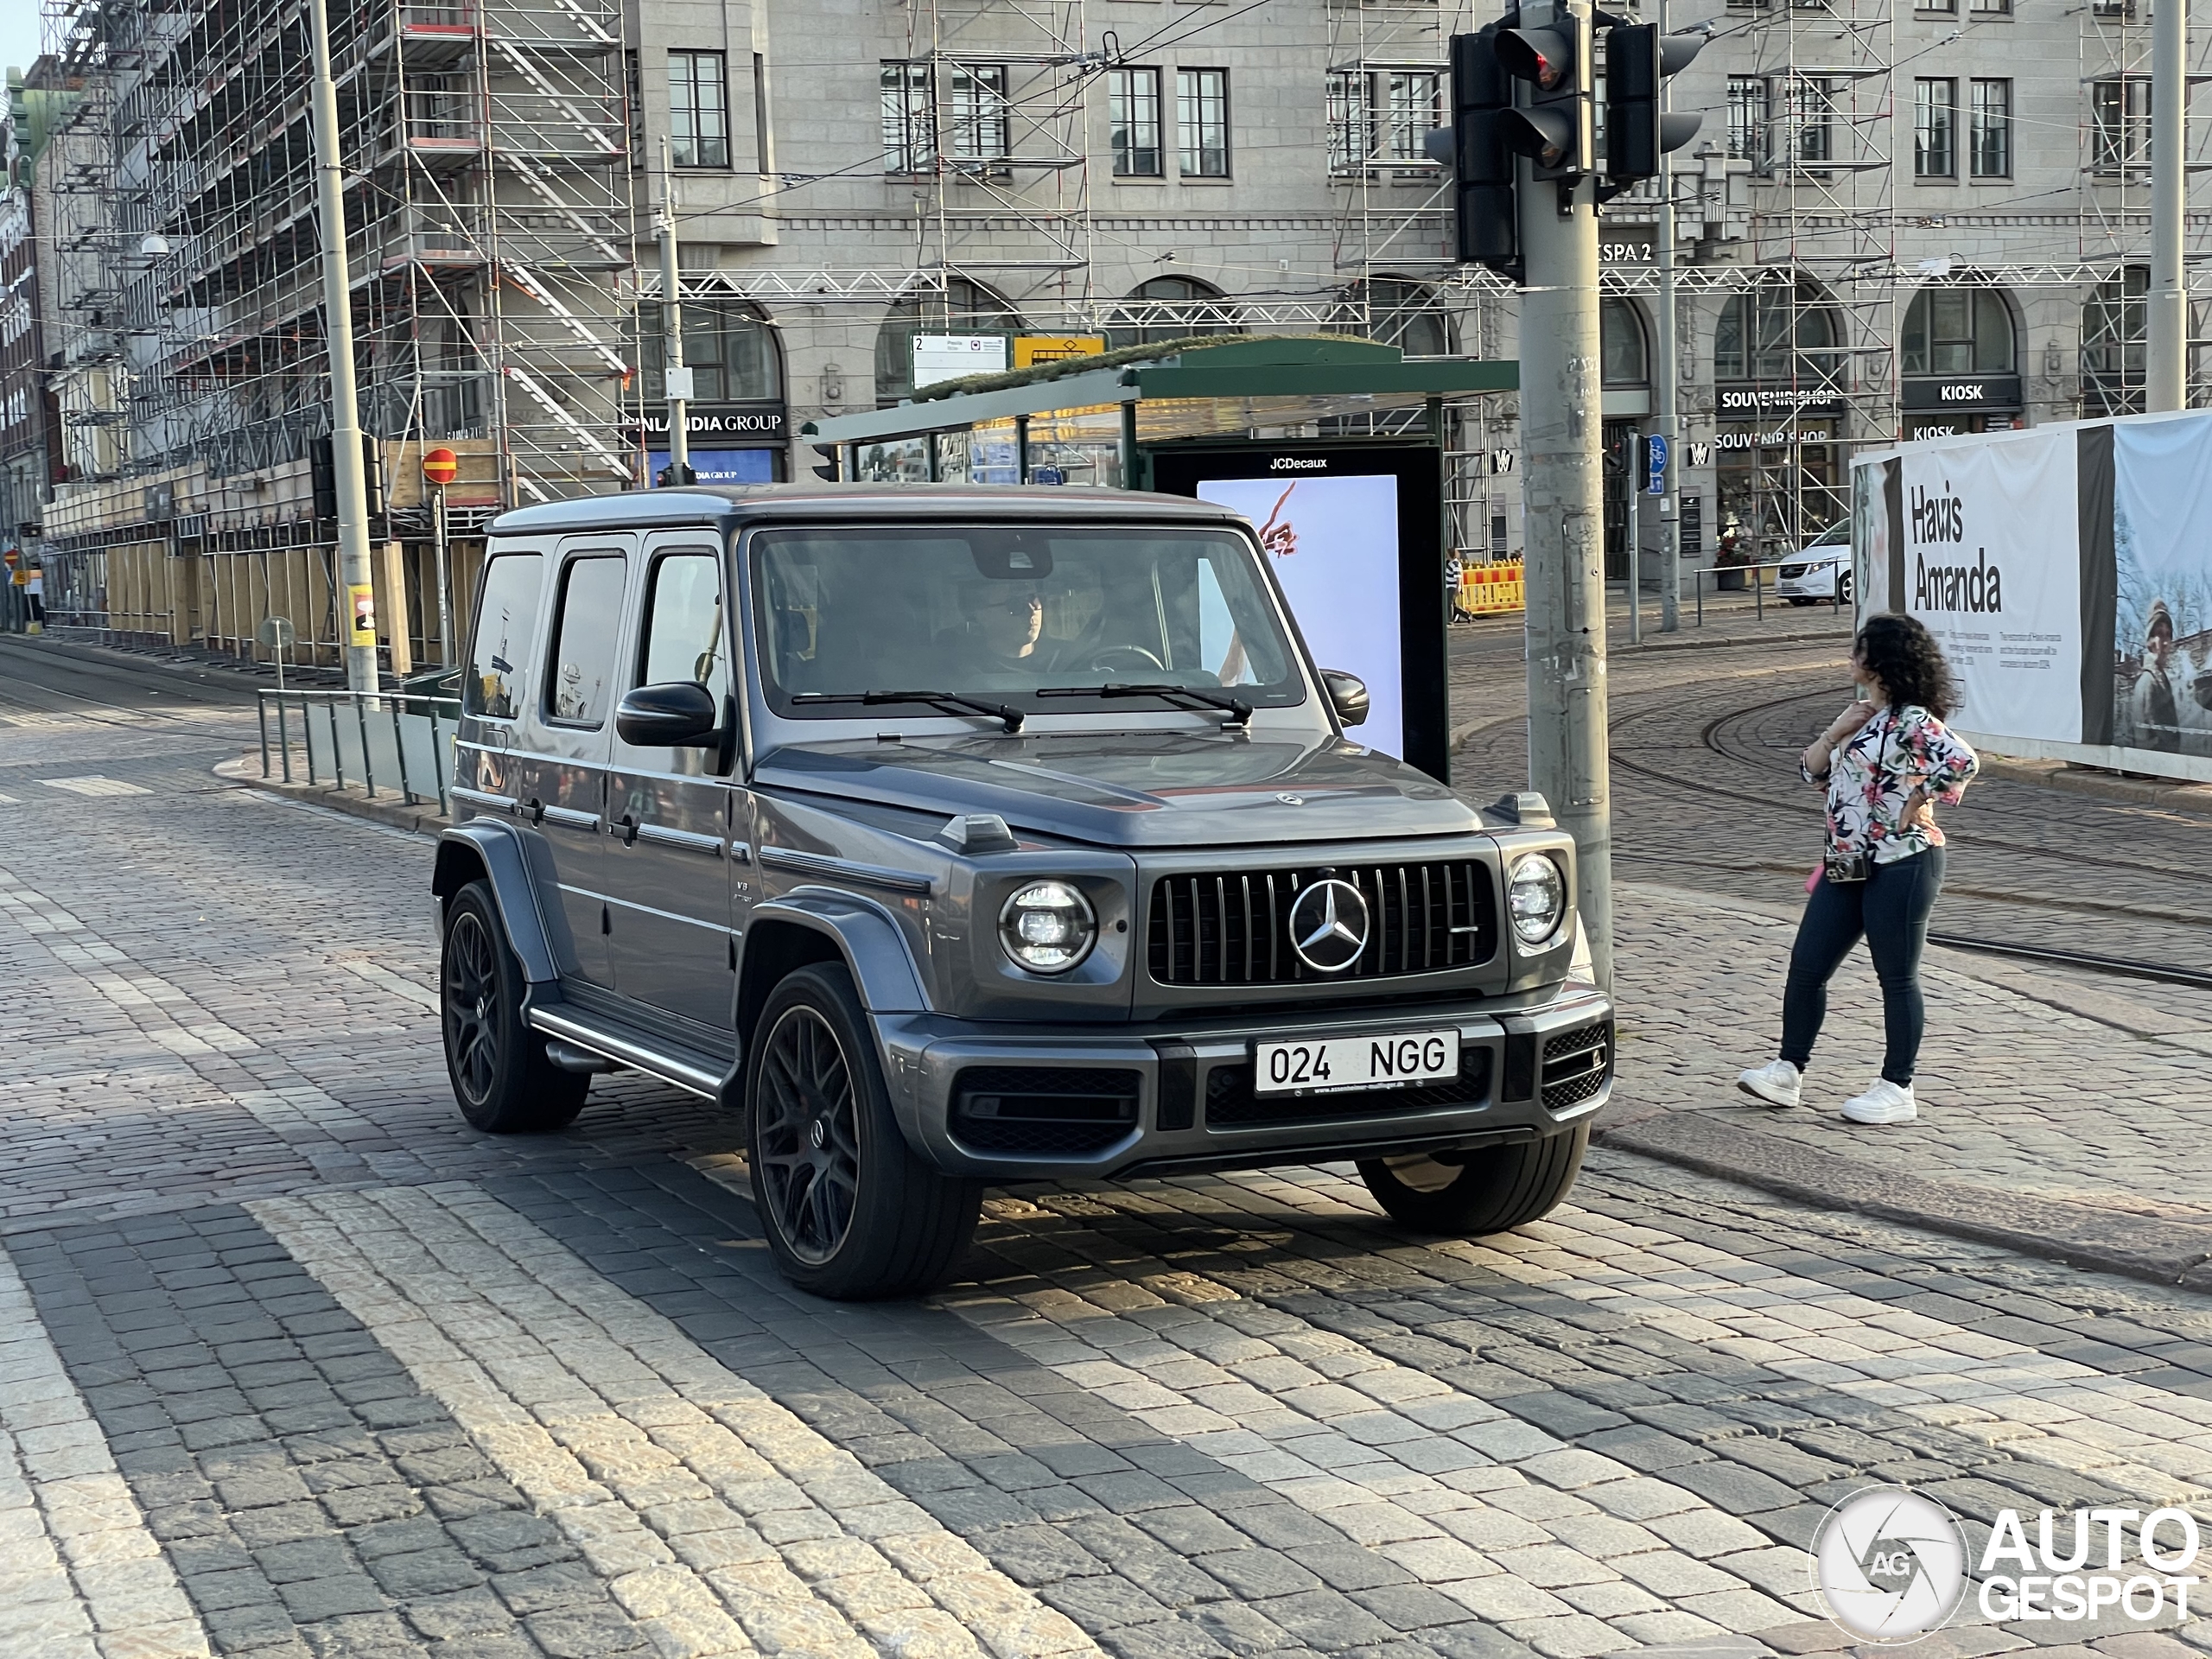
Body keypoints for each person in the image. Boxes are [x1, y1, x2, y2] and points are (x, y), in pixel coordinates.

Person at [1738, 613, 1980, 1126]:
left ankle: (1898, 1087)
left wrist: (1917, 798)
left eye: (1859, 649)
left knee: (1896, 975)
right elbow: (1810, 771)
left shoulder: (1913, 720)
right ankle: (1788, 1070)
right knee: (1807, 964)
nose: (1852, 656)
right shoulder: (1865, 716)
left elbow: (1961, 761)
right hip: (1846, 863)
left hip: (1904, 861)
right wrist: (1836, 730)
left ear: (1881, 660)